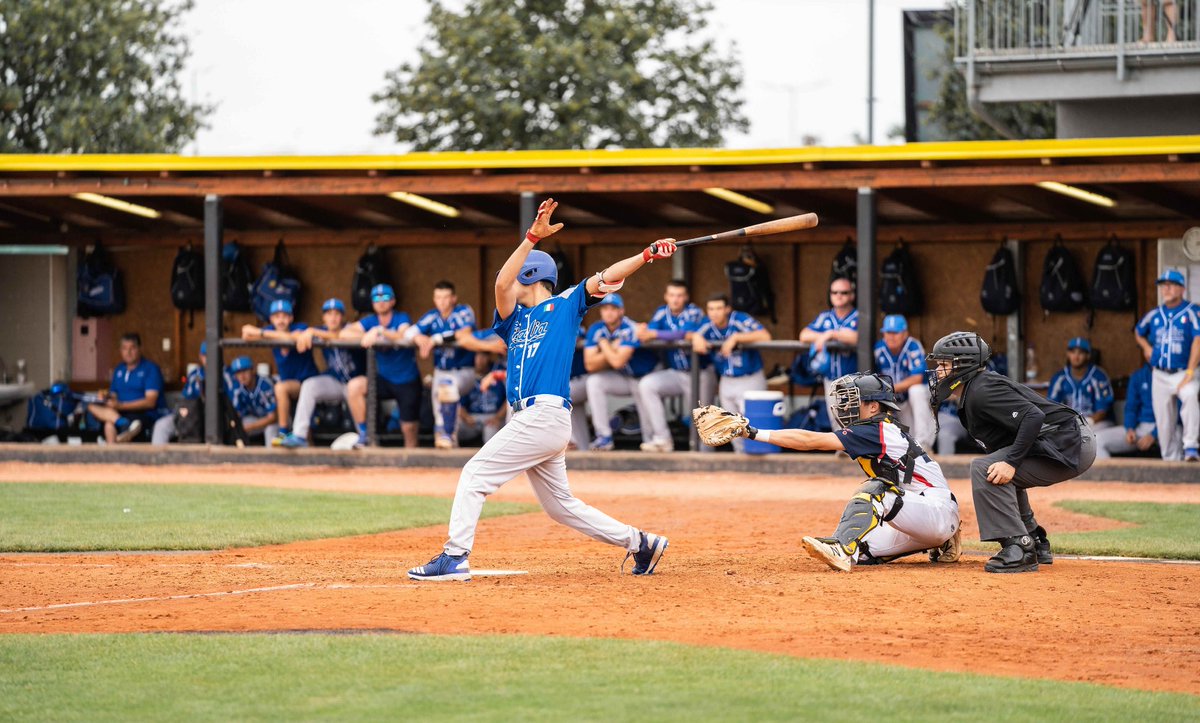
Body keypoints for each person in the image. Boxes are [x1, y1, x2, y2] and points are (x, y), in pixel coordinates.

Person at [407, 198, 672, 581]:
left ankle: (454, 555)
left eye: (520, 276)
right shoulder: (513, 320)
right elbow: (500, 282)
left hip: (544, 414)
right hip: (532, 417)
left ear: (531, 276)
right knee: (560, 507)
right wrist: (531, 237)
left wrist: (646, 255)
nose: (512, 281)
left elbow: (607, 276)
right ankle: (642, 542)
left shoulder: (566, 303)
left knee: (474, 475)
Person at [698, 373, 960, 570]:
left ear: (873, 407)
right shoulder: (878, 428)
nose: (845, 406)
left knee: (875, 489)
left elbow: (811, 441)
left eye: (854, 400)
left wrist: (753, 432)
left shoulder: (877, 429)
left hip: (934, 511)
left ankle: (841, 548)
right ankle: (942, 540)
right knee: (865, 550)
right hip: (924, 515)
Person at [927, 332, 1095, 573]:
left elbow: (1033, 416)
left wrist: (1012, 462)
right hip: (1062, 440)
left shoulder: (981, 390)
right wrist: (1009, 462)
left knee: (985, 468)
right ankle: (1033, 540)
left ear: (963, 365)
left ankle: (1018, 548)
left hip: (1070, 442)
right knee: (998, 468)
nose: (938, 372)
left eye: (943, 364)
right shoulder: (973, 392)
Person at [635, 279, 714, 452]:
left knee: (703, 419)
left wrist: (654, 333)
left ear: (685, 297)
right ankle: (662, 439)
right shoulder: (662, 312)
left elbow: (686, 333)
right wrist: (643, 331)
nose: (675, 299)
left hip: (700, 373)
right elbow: (649, 331)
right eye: (672, 295)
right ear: (666, 297)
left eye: (679, 295)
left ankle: (707, 458)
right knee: (647, 385)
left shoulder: (694, 311)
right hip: (677, 373)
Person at [276, 298, 366, 448]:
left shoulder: (351, 328)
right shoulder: (320, 330)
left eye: (337, 314)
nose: (333, 317)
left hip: (359, 381)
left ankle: (365, 439)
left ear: (343, 316)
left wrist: (312, 331)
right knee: (310, 385)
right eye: (329, 313)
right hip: (337, 382)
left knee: (354, 388)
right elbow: (297, 335)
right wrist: (303, 334)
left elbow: (341, 336)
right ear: (324, 317)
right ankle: (299, 435)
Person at [339, 284, 421, 448]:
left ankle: (411, 469)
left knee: (409, 429)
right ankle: (364, 435)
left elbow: (403, 334)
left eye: (385, 298)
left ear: (393, 301)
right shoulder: (370, 321)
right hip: (383, 379)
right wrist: (368, 333)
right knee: (355, 386)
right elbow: (343, 333)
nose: (381, 302)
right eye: (377, 298)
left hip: (407, 379)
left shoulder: (401, 317)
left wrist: (380, 332)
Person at [692, 293, 771, 452]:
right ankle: (741, 462)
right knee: (731, 427)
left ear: (727, 309)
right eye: (711, 309)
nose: (714, 312)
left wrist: (736, 337)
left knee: (754, 426)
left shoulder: (739, 319)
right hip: (726, 380)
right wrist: (696, 338)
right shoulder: (707, 324)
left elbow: (765, 336)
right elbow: (693, 334)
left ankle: (762, 466)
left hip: (750, 379)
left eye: (719, 308)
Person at [1134, 269, 1199, 462]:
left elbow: (1198, 340)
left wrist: (1190, 370)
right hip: (1160, 374)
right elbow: (1138, 332)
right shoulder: (1154, 314)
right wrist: (1146, 347)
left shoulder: (1193, 311)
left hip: (1184, 372)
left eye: (1171, 285)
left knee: (1190, 396)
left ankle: (1191, 448)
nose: (1167, 288)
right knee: (1163, 420)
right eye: (1164, 285)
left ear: (1182, 289)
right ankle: (1170, 459)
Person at [583, 293, 659, 451]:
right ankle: (603, 437)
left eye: (613, 308)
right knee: (594, 381)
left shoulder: (630, 327)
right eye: (605, 308)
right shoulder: (597, 329)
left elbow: (618, 361)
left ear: (621, 311)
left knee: (648, 430)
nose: (609, 312)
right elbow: (590, 365)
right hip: (624, 378)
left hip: (646, 375)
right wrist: (608, 346)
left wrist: (603, 346)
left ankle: (652, 447)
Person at [240, 299, 318, 446]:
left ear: (291, 318)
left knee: (281, 388)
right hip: (290, 387)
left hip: (307, 384)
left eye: (284, 316)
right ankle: (285, 435)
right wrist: (266, 332)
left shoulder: (300, 327)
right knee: (301, 430)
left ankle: (283, 434)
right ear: (271, 319)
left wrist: (264, 333)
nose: (281, 320)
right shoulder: (270, 330)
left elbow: (295, 337)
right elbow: (246, 333)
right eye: (277, 316)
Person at [412, 281, 478, 448]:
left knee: (447, 386)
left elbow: (464, 332)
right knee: (440, 417)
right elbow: (409, 331)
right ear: (434, 299)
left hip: (463, 371)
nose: (442, 301)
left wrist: (436, 338)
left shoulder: (463, 311)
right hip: (440, 371)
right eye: (438, 297)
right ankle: (446, 451)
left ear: (453, 298)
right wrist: (419, 338)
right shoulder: (432, 316)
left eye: (446, 297)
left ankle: (448, 437)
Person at [87, 332, 168, 444]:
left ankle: (117, 441)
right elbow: (114, 395)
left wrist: (121, 405)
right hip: (120, 413)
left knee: (110, 423)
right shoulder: (119, 369)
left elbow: (150, 402)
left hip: (143, 414)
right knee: (92, 407)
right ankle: (121, 428)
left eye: (132, 348)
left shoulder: (150, 369)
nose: (128, 352)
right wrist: (106, 398)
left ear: (139, 348)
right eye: (125, 348)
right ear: (120, 350)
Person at [800, 276, 859, 428]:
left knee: (856, 419)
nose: (838, 295)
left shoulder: (858, 316)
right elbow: (804, 335)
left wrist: (830, 334)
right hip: (831, 378)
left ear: (852, 295)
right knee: (836, 419)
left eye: (844, 292)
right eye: (834, 292)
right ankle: (841, 451)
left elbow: (856, 338)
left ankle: (856, 451)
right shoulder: (825, 317)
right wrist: (822, 336)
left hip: (855, 379)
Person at [872, 314, 935, 451]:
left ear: (905, 333)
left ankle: (924, 442)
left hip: (919, 397)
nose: (891, 337)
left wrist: (890, 388)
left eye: (895, 333)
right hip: (898, 402)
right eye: (888, 332)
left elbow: (917, 378)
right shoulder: (879, 349)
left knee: (915, 390)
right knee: (910, 438)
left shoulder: (912, 345)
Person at [1094, 363, 1165, 459]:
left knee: (1181, 441)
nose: (1150, 353)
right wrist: (1130, 428)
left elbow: (1176, 414)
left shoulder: (1176, 374)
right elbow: (1131, 408)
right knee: (1096, 440)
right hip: (1141, 428)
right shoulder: (1138, 376)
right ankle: (1110, 474)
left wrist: (1154, 435)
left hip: (1168, 428)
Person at [1046, 337, 1114, 434]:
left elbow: (1102, 410)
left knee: (1088, 436)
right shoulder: (1059, 378)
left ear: (1088, 355)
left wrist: (1085, 423)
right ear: (1068, 354)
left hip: (1097, 423)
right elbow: (1051, 407)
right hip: (1070, 423)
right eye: (1073, 352)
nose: (1076, 356)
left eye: (1080, 353)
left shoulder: (1098, 376)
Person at [152, 342, 208, 445]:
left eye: (212, 355)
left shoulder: (226, 374)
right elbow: (184, 401)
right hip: (191, 416)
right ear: (200, 356)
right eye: (206, 356)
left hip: (215, 419)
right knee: (161, 426)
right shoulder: (194, 375)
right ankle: (158, 460)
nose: (209, 359)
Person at [458, 334, 508, 445]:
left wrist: (497, 417)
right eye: (477, 356)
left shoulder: (498, 372)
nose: (480, 360)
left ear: (489, 358)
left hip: (494, 416)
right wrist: (466, 417)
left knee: (490, 430)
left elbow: (509, 400)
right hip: (473, 417)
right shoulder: (468, 376)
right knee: (454, 425)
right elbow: (458, 403)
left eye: (484, 356)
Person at [226, 354, 279, 445]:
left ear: (252, 370)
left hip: (277, 421)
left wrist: (250, 427)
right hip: (257, 419)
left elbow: (273, 418)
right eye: (238, 373)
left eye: (245, 371)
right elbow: (237, 414)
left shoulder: (264, 385)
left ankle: (271, 458)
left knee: (270, 430)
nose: (242, 376)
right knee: (236, 428)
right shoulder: (238, 388)